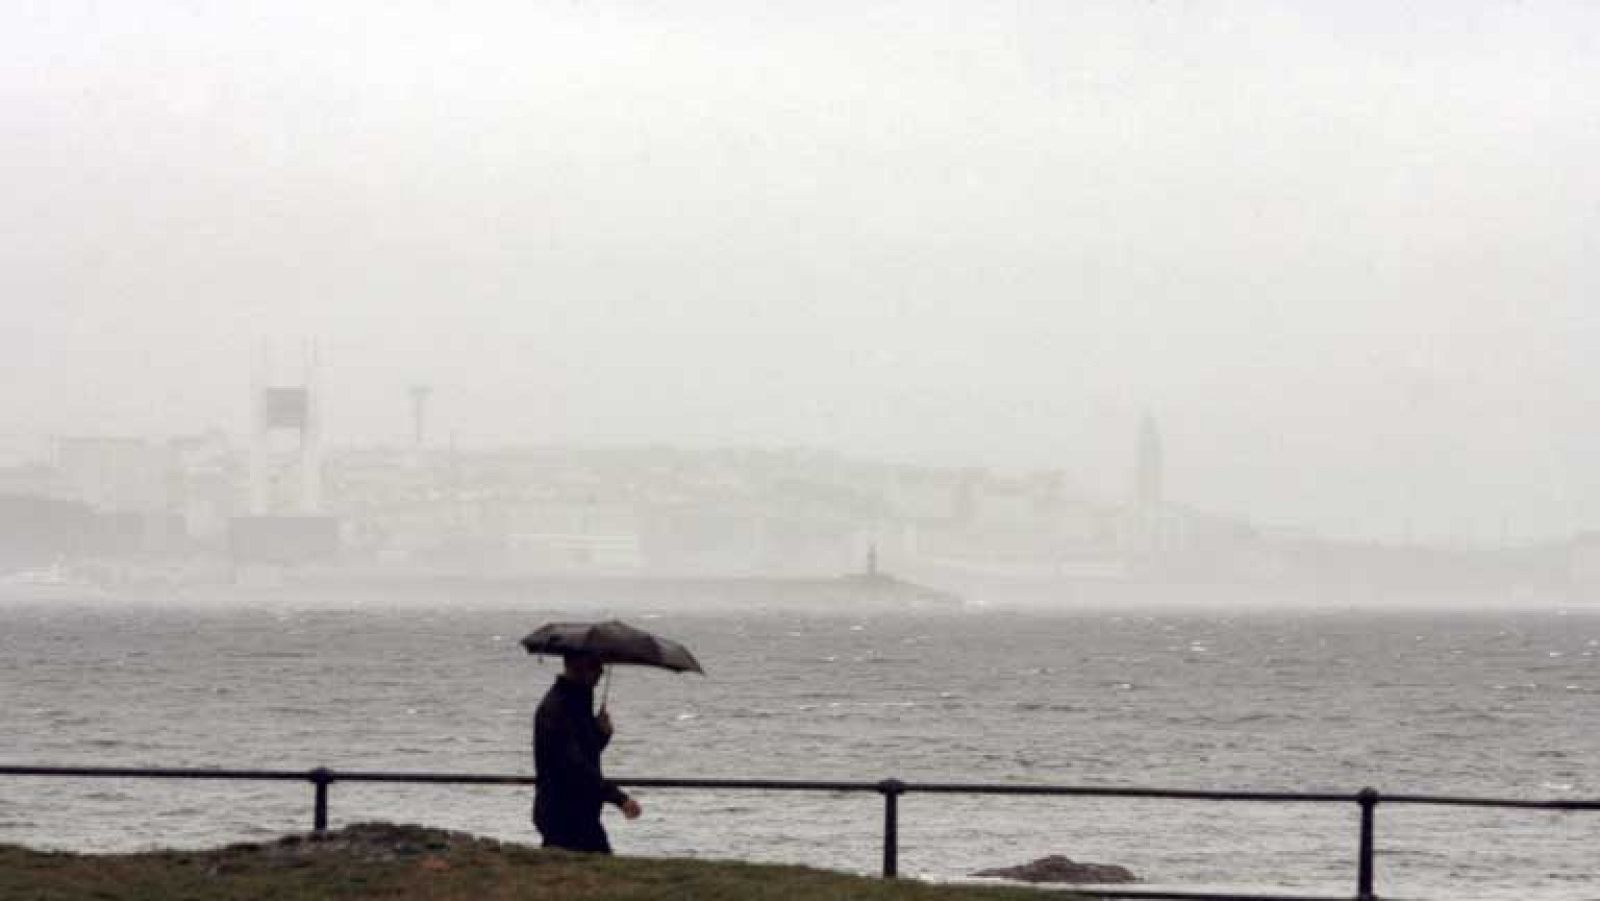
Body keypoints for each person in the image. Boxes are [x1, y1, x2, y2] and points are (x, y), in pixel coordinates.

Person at [533, 652, 642, 853]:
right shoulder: (558, 709)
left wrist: (601, 734)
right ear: (577, 666)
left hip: (576, 811)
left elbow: (582, 754)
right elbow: (575, 766)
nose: (601, 671)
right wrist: (619, 798)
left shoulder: (575, 704)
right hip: (564, 813)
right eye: (594, 664)